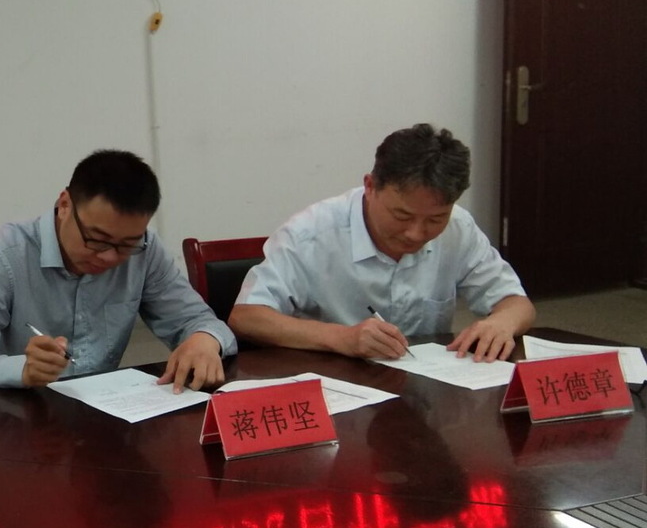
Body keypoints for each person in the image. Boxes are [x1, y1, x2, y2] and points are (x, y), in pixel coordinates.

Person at [0, 149, 237, 395]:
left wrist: (204, 339)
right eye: (97, 239)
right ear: (65, 204)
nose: (110, 257)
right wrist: (22, 369)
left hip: (103, 413)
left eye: (126, 244)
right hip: (18, 413)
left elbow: (199, 321)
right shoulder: (3, 257)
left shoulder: (145, 249)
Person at [229, 123, 535, 362]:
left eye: (435, 219)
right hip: (332, 384)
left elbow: (517, 303)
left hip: (424, 387)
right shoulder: (310, 234)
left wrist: (502, 323)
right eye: (402, 215)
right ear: (370, 186)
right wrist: (341, 338)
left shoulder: (459, 228)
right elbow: (247, 318)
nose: (416, 233)